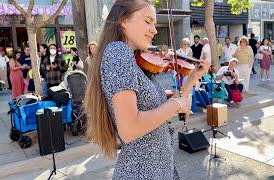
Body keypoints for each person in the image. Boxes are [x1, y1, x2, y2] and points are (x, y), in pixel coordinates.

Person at [84, 0, 210, 179]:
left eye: (155, 24)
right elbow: (129, 129)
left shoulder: (134, 59)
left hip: (160, 168)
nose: (154, 30)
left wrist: (192, 78)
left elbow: (158, 113)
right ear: (123, 20)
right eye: (148, 21)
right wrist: (175, 105)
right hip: (142, 172)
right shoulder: (118, 51)